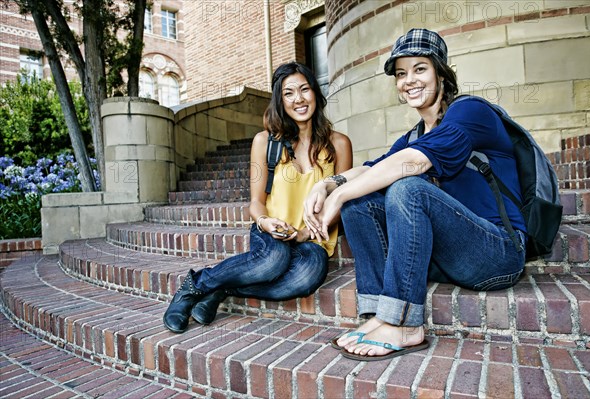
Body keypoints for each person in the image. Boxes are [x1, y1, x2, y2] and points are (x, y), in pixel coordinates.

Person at [303, 28, 526, 361]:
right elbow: (370, 168)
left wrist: (339, 196)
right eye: (401, 73)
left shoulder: (470, 112)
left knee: (407, 188)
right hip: (448, 255)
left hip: (497, 252)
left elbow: (411, 164)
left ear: (441, 72)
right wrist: (327, 184)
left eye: (420, 68)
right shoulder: (415, 135)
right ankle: (379, 313)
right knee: (360, 203)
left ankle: (405, 324)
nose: (409, 80)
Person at [163, 62, 353, 333]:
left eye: (304, 89)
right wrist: (264, 222)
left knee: (306, 277)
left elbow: (341, 200)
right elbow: (255, 202)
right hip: (272, 231)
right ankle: (196, 285)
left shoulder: (339, 144)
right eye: (288, 93)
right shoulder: (265, 142)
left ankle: (222, 288)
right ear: (280, 100)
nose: (298, 99)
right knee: (271, 262)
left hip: (314, 237)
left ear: (315, 93)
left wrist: (303, 234)